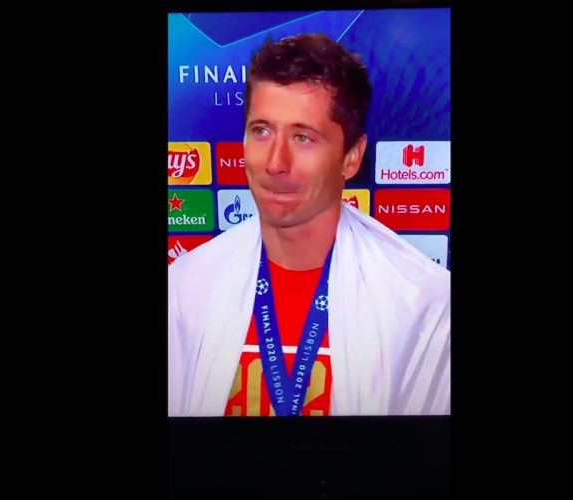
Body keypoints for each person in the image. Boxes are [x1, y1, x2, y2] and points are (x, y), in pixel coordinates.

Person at [169, 33, 450, 417]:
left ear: (352, 158)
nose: (275, 163)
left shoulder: (422, 305)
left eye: (303, 137)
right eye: (262, 131)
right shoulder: (186, 287)